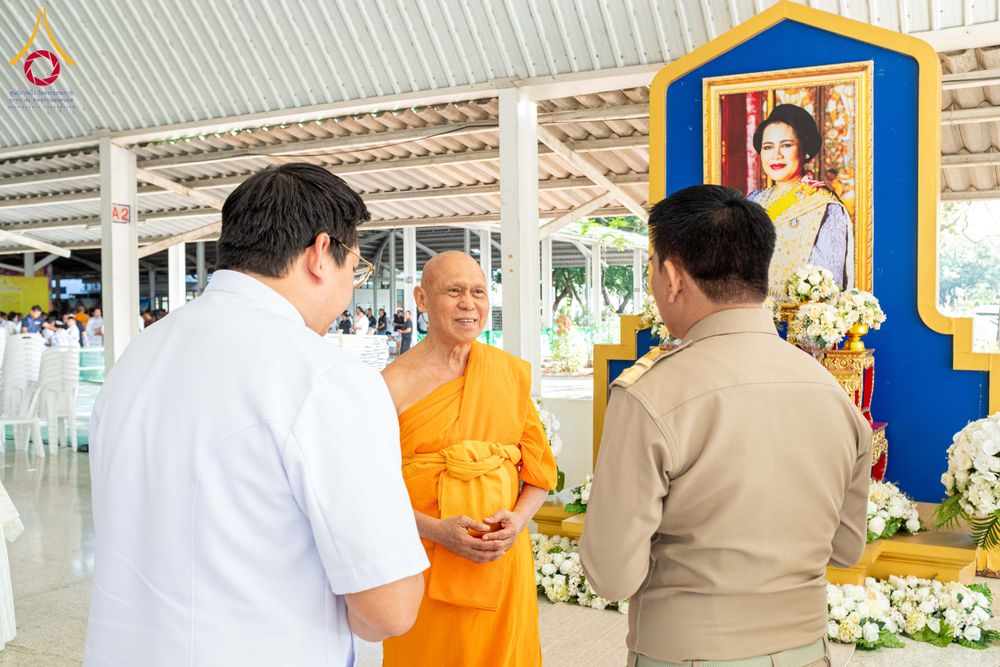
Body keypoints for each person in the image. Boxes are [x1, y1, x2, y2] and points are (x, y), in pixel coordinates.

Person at [85, 163, 427, 666]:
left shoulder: (137, 357)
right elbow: (388, 608)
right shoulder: (323, 376)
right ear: (319, 253)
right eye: (354, 266)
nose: (352, 286)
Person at [580, 185, 871, 667]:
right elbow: (846, 548)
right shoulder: (832, 392)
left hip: (688, 654)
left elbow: (611, 574)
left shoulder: (649, 394)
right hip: (807, 652)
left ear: (672, 276)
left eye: (653, 266)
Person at [381, 251, 557, 666]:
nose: (468, 303)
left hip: (501, 562)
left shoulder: (505, 373)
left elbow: (538, 472)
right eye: (454, 291)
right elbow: (367, 491)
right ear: (421, 299)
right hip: (424, 559)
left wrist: (517, 521)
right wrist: (438, 531)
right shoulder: (392, 385)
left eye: (478, 292)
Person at [748, 104, 852, 295]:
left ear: (805, 150)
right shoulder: (753, 201)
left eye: (786, 145)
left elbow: (828, 285)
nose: (776, 155)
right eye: (768, 147)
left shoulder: (824, 206)